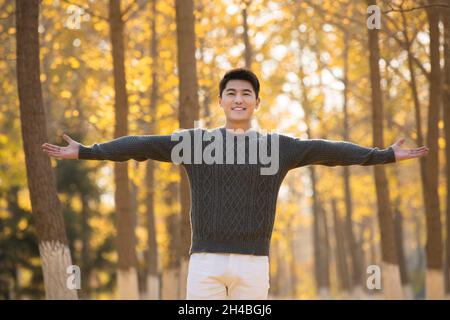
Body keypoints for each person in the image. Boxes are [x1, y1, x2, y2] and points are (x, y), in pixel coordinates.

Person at [42, 68, 429, 300]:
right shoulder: (195, 143)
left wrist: (383, 155)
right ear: (221, 102)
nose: (239, 99)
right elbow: (142, 145)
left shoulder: (278, 147)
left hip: (254, 265)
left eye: (246, 94)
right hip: (204, 264)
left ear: (256, 103)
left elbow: (328, 150)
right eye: (232, 93)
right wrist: (88, 152)